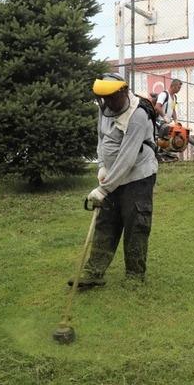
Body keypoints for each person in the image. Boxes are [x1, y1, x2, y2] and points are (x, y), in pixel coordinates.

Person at [68, 73, 158, 288]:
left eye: (110, 97)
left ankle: (135, 276)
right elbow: (102, 138)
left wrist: (103, 189)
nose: (107, 103)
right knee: (105, 222)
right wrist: (102, 167)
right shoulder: (106, 109)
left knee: (136, 223)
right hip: (112, 175)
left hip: (138, 176)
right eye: (103, 98)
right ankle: (93, 272)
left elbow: (127, 158)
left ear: (122, 92)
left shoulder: (138, 115)